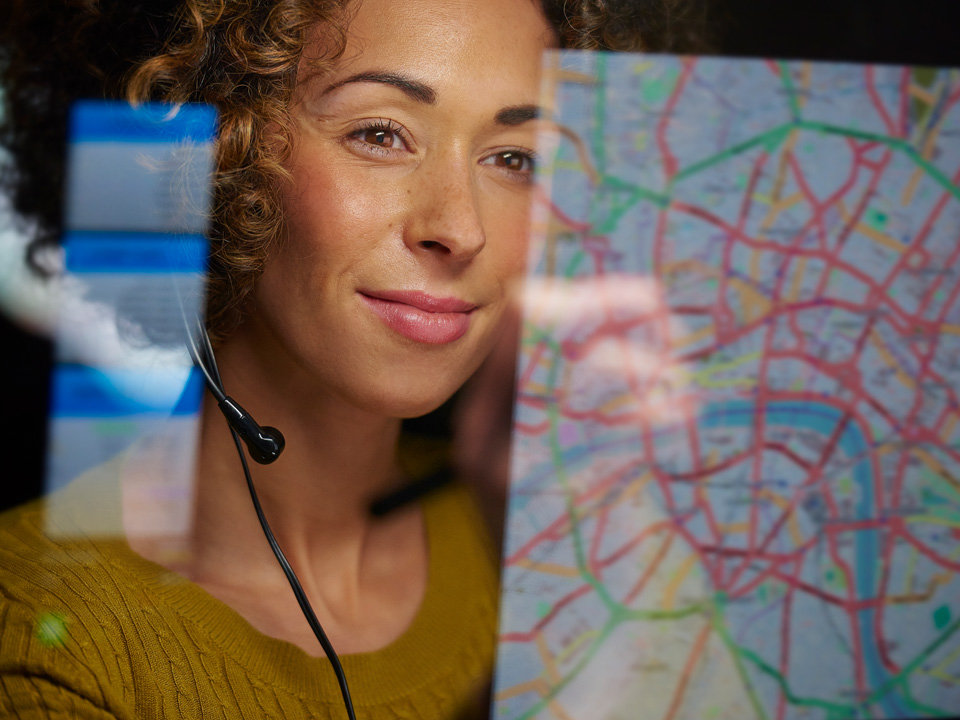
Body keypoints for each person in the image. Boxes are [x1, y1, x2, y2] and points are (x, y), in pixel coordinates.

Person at [0, 0, 710, 718]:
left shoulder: (577, 542)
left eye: (515, 158)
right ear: (209, 157)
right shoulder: (47, 633)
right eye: (380, 134)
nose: (460, 229)